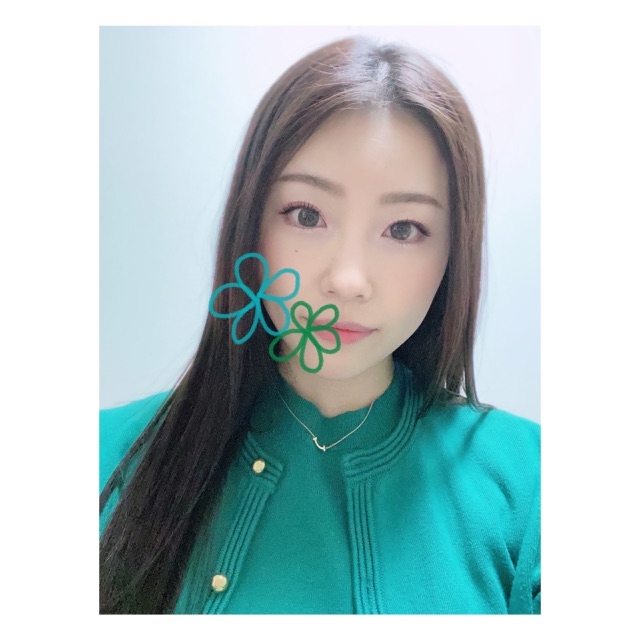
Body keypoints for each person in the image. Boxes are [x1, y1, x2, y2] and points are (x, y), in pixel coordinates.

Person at [99, 36, 540, 615]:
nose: (348, 280)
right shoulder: (105, 453)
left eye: (404, 229)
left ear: (452, 253)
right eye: (306, 215)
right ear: (250, 225)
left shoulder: (532, 479)